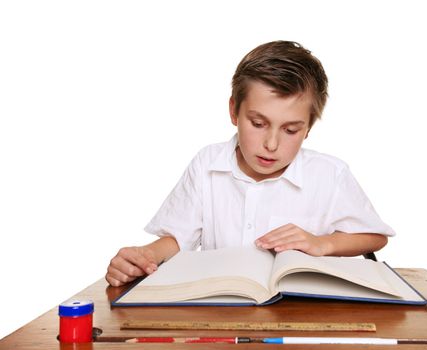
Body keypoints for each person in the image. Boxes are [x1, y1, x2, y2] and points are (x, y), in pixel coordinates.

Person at [105, 40, 395, 287]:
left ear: (309, 127)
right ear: (234, 111)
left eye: (291, 130)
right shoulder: (207, 163)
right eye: (258, 123)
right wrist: (145, 256)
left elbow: (374, 236)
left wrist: (323, 244)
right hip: (222, 314)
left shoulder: (329, 174)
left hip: (300, 318)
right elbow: (179, 238)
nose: (271, 144)